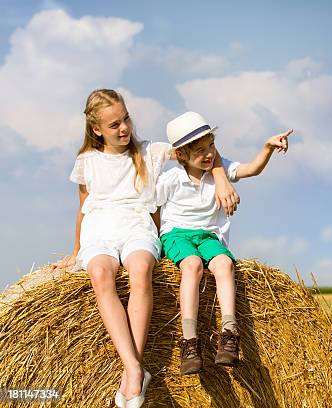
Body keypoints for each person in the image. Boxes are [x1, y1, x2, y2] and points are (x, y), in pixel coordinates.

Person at [50, 90, 239, 408]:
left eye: (126, 119)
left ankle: (132, 376)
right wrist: (75, 251)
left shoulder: (150, 152)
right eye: (114, 125)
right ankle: (134, 367)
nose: (124, 128)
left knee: (140, 270)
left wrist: (221, 180)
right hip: (100, 230)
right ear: (96, 129)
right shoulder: (86, 162)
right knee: (100, 274)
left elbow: (201, 147)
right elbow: (83, 209)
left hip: (137, 226)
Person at [155, 111, 291, 374]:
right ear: (181, 155)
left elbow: (251, 169)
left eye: (211, 147)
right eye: (199, 151)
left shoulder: (220, 170)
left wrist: (267, 148)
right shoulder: (171, 179)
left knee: (225, 264)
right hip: (176, 234)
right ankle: (189, 339)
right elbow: (150, 206)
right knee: (192, 265)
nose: (208, 155)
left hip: (209, 236)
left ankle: (229, 334)